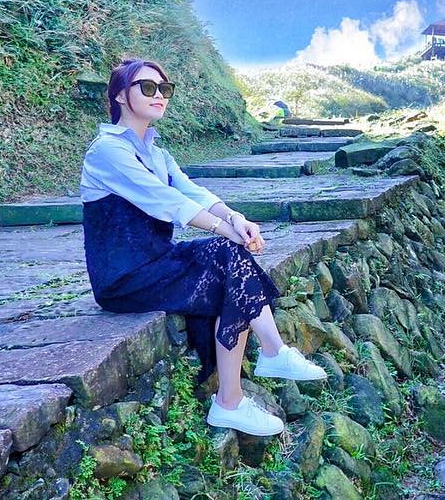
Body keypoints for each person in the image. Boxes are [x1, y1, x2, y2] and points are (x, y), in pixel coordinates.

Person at [79, 58, 326, 437]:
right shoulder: (107, 151)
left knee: (232, 271)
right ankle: (266, 361)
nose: (159, 95)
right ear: (120, 96)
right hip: (123, 277)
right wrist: (222, 229)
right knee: (228, 255)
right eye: (147, 88)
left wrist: (235, 218)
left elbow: (191, 191)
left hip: (157, 262)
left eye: (165, 89)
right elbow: (164, 200)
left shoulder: (158, 153)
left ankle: (234, 397)